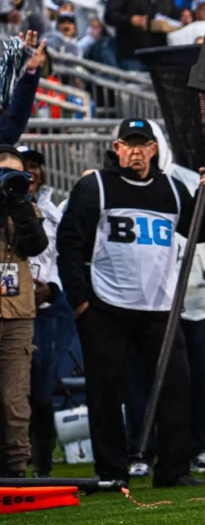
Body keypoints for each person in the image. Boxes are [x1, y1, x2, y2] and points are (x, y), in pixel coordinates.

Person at [57, 119, 205, 487]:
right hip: (106, 304)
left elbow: (201, 231)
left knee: (176, 386)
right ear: (116, 149)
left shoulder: (172, 189)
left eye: (142, 144)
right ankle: (112, 471)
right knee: (105, 391)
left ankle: (174, 469)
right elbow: (69, 242)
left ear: (153, 149)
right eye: (127, 145)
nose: (135, 151)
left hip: (159, 307)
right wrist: (80, 300)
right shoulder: (94, 186)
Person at [19, 146, 76, 478]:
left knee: (42, 390)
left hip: (47, 309)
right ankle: (14, 462)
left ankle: (43, 466)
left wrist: (51, 289)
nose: (30, 173)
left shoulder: (54, 211)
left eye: (35, 166)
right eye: (23, 167)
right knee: (14, 390)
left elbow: (61, 256)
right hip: (11, 307)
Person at [0, 146, 49, 478]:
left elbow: (36, 245)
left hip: (17, 315)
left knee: (14, 400)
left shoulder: (26, 208)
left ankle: (16, 472)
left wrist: (17, 203)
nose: (11, 179)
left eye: (18, 174)